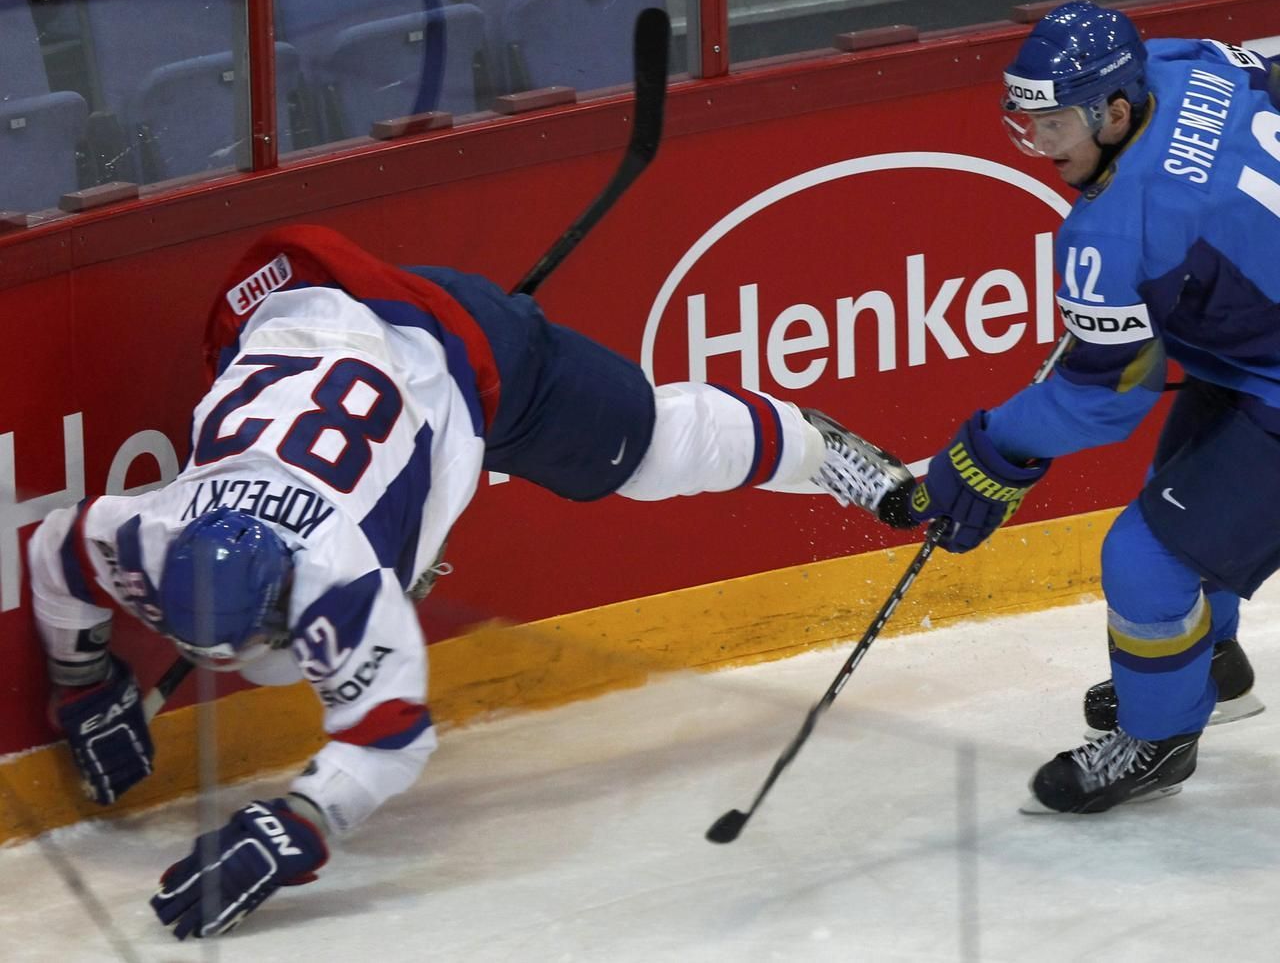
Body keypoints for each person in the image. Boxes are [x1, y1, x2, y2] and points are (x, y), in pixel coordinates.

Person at [25, 223, 913, 939]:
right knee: (277, 660)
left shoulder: (339, 577)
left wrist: (294, 826)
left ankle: (818, 451)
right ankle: (414, 535)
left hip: (463, 346)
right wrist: (83, 685)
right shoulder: (155, 533)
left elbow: (389, 739)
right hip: (294, 323)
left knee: (647, 450)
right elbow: (56, 553)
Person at [905, 0, 1280, 813]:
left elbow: (1106, 401)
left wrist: (993, 445)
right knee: (1181, 504)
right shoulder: (1183, 62)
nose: (1043, 145)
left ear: (1114, 112)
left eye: (1057, 126)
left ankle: (1156, 741)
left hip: (1266, 368)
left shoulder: (1114, 232)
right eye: (1030, 123)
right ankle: (1205, 662)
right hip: (1253, 354)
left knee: (1146, 558)